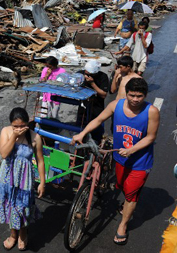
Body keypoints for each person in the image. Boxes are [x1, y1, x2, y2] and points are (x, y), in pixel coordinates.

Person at [71, 78, 160, 246]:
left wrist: (132, 149)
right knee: (121, 185)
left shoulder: (151, 111)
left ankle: (123, 225)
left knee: (131, 195)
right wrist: (82, 133)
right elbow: (98, 120)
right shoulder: (116, 106)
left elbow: (151, 136)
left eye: (139, 96)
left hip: (140, 163)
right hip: (119, 158)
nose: (135, 99)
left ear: (145, 96)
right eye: (132, 95)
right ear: (126, 93)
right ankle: (125, 205)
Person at [0, 107, 45, 251]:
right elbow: (4, 154)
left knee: (23, 207)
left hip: (25, 181)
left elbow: (40, 161)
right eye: (15, 126)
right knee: (10, 206)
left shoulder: (35, 137)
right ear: (11, 124)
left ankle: (23, 234)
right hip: (7, 179)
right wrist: (14, 137)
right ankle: (13, 234)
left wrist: (42, 182)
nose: (19, 129)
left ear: (27, 123)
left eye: (22, 126)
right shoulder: (6, 132)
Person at [76, 60, 109, 142]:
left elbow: (103, 94)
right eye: (85, 72)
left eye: (89, 73)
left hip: (96, 107)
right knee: (80, 126)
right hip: (83, 107)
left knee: (96, 129)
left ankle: (95, 145)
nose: (86, 74)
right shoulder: (81, 73)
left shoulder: (103, 77)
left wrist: (92, 83)